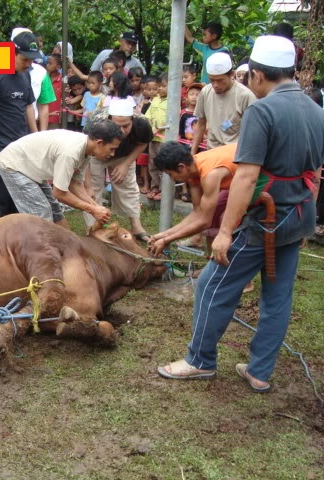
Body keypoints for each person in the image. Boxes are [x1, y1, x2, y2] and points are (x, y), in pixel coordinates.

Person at [157, 35, 324, 393]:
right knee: (277, 297)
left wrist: (225, 231)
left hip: (266, 217)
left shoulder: (263, 111)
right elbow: (317, 173)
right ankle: (260, 371)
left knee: (210, 285)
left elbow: (246, 176)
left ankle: (199, 360)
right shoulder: (315, 108)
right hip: (300, 216)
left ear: (258, 75)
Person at [0, 121, 122, 227]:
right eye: (112, 149)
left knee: (55, 210)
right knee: (41, 214)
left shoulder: (87, 151)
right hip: (13, 165)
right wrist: (92, 209)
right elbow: (59, 193)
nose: (113, 154)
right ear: (99, 143)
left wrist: (96, 206)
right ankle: (40, 253)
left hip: (31, 167)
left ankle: (68, 249)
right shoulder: (71, 152)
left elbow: (75, 183)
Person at [0, 29, 39, 219]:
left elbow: (28, 107)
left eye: (31, 60)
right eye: (24, 59)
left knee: (17, 203)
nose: (28, 64)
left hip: (20, 148)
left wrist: (36, 139)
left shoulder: (25, 75)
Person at [83, 99, 153, 241]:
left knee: (128, 187)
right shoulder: (95, 123)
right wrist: (88, 185)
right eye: (117, 125)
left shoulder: (142, 123)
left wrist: (126, 164)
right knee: (93, 190)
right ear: (108, 120)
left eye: (126, 126)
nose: (121, 131)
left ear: (132, 120)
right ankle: (93, 228)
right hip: (96, 156)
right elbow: (85, 154)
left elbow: (143, 143)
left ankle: (136, 226)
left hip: (124, 155)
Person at [190, 52, 257, 155]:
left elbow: (253, 132)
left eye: (220, 80)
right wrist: (192, 153)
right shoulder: (205, 92)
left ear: (232, 74)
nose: (216, 85)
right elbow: (201, 124)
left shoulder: (245, 96)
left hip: (234, 155)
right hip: (211, 152)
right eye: (212, 80)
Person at [144, 72, 169, 201]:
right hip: (153, 138)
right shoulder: (155, 99)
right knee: (152, 162)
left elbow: (169, 120)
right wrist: (150, 129)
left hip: (165, 139)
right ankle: (155, 187)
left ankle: (165, 190)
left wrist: (158, 129)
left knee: (163, 164)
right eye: (159, 86)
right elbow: (148, 116)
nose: (160, 89)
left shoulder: (173, 101)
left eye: (163, 86)